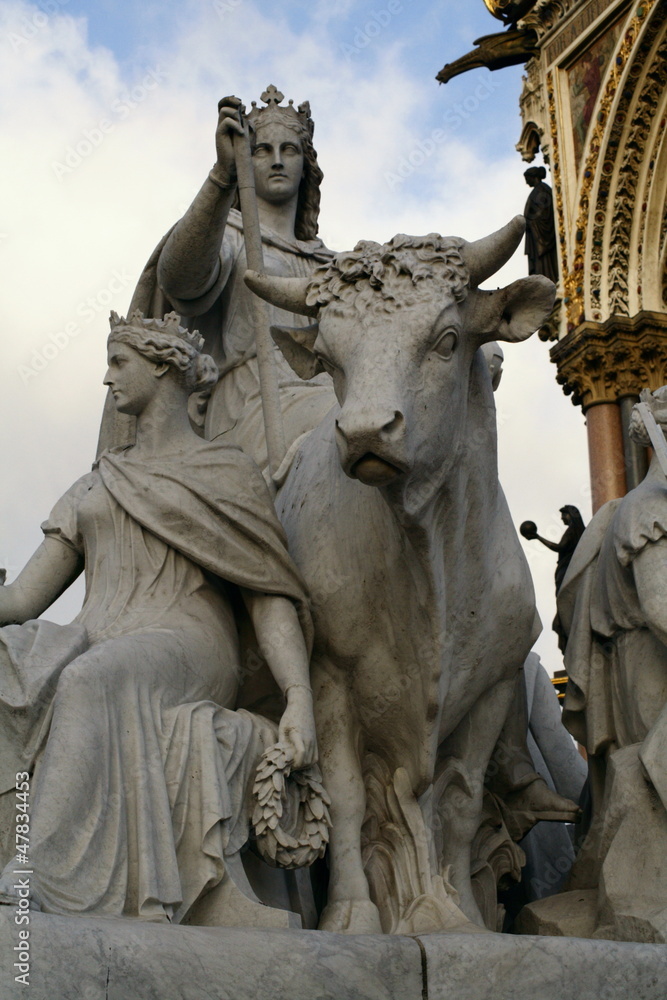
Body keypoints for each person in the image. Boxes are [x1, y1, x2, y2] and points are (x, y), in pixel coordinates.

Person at [0, 311, 318, 924]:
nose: (107, 379)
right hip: (96, 635)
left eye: (120, 363)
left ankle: (41, 871)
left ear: (164, 368)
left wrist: (297, 695)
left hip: (189, 642)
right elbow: (20, 603)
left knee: (91, 678)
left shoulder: (226, 472)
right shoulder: (95, 484)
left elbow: (268, 593)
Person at [98, 86, 337, 473]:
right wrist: (222, 178)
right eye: (262, 150)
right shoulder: (228, 234)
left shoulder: (334, 264)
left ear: (305, 162)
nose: (277, 160)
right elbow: (181, 281)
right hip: (253, 404)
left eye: (289, 149)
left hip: (332, 394)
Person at [556, 386, 667, 941]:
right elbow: (660, 605)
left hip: (641, 652)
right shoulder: (647, 511)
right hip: (644, 654)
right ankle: (640, 896)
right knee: (648, 763)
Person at [523, 166, 558, 284]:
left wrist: (531, 222)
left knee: (545, 266)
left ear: (534, 177)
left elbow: (545, 213)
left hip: (542, 237)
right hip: (535, 236)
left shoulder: (542, 190)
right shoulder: (538, 191)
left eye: (527, 178)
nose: (526, 182)